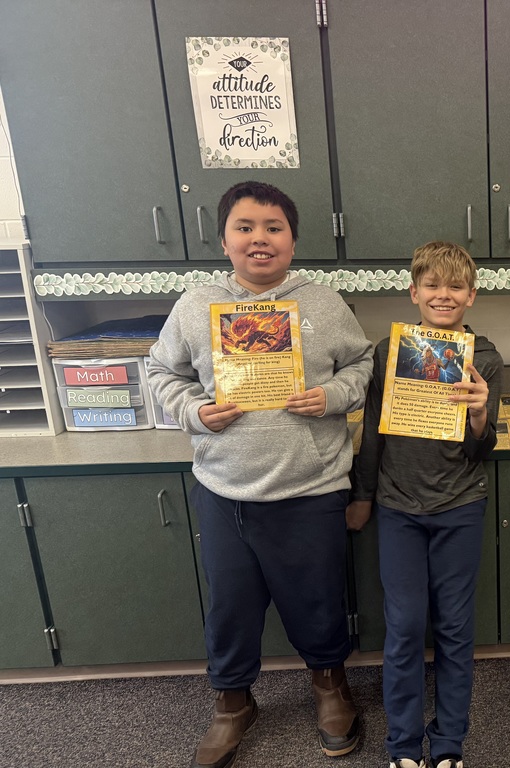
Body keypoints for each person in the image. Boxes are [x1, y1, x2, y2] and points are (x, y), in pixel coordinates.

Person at [148, 181, 373, 768]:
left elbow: (363, 366)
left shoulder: (323, 302)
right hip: (226, 490)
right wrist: (194, 411)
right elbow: (159, 375)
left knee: (319, 600)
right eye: (244, 227)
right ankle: (231, 703)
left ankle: (331, 689)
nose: (259, 239)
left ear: (292, 239)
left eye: (273, 228)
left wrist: (330, 396)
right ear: (223, 239)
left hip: (311, 487)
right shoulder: (196, 305)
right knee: (230, 606)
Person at [347, 241, 503, 768]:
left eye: (455, 286)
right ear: (414, 292)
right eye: (432, 285)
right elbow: (372, 432)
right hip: (398, 508)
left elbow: (483, 449)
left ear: (472, 296)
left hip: (460, 506)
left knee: (455, 628)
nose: (443, 294)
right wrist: (363, 496)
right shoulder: (389, 354)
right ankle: (403, 745)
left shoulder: (484, 358)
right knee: (406, 626)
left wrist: (480, 415)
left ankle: (450, 742)